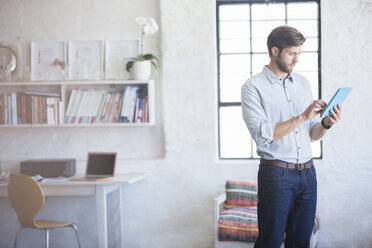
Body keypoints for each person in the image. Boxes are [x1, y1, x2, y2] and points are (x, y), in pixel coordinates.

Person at [241, 26, 342, 248]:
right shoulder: (253, 87)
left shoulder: (303, 83)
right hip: (276, 175)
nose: (297, 59)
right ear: (275, 50)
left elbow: (313, 133)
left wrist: (326, 123)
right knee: (270, 242)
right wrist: (302, 116)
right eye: (292, 53)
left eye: (299, 53)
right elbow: (262, 134)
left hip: (307, 174)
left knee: (300, 243)